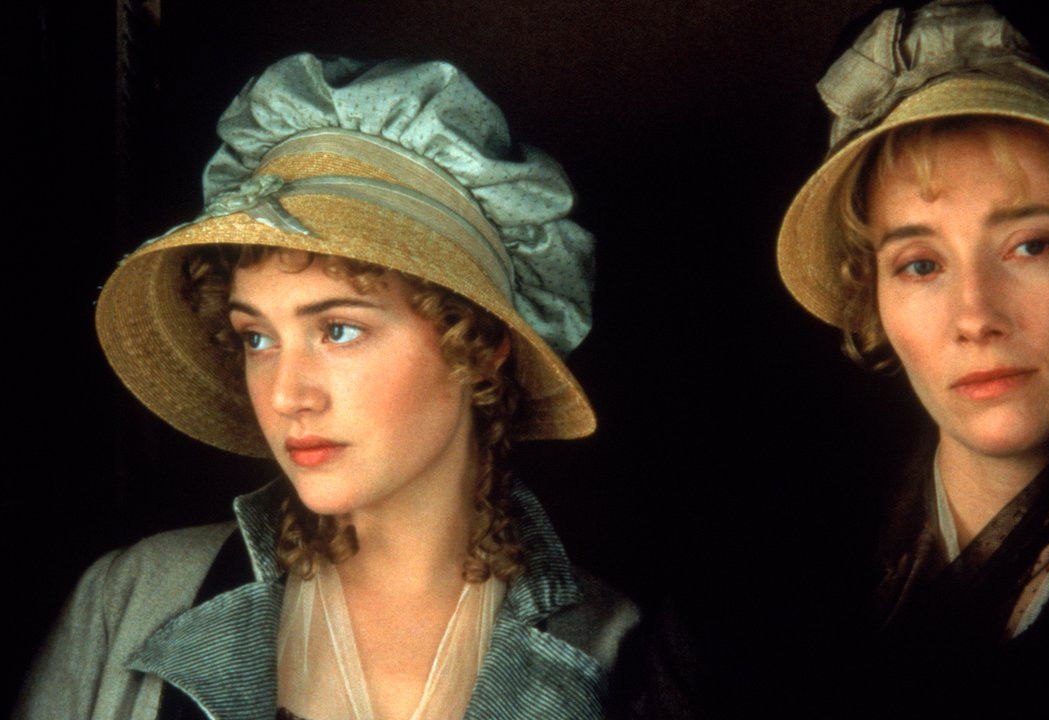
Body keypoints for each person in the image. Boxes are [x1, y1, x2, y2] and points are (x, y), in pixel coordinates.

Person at [17, 53, 636, 720]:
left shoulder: (618, 651)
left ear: (480, 347)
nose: (288, 395)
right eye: (257, 338)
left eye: (339, 330)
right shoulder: (133, 598)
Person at [775, 0, 1049, 710]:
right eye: (921, 265)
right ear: (873, 298)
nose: (976, 317)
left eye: (1030, 246)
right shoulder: (764, 591)